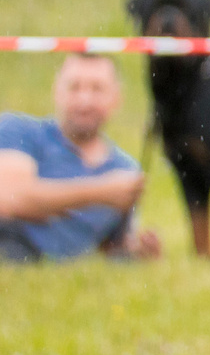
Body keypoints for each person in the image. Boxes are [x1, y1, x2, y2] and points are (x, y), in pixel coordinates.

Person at [0, 54, 161, 264]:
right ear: (56, 91)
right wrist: (101, 192)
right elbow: (10, 200)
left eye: (97, 89)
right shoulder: (19, 130)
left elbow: (110, 247)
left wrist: (140, 252)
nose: (85, 100)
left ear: (116, 98)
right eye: (74, 87)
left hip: (55, 271)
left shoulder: (125, 169)